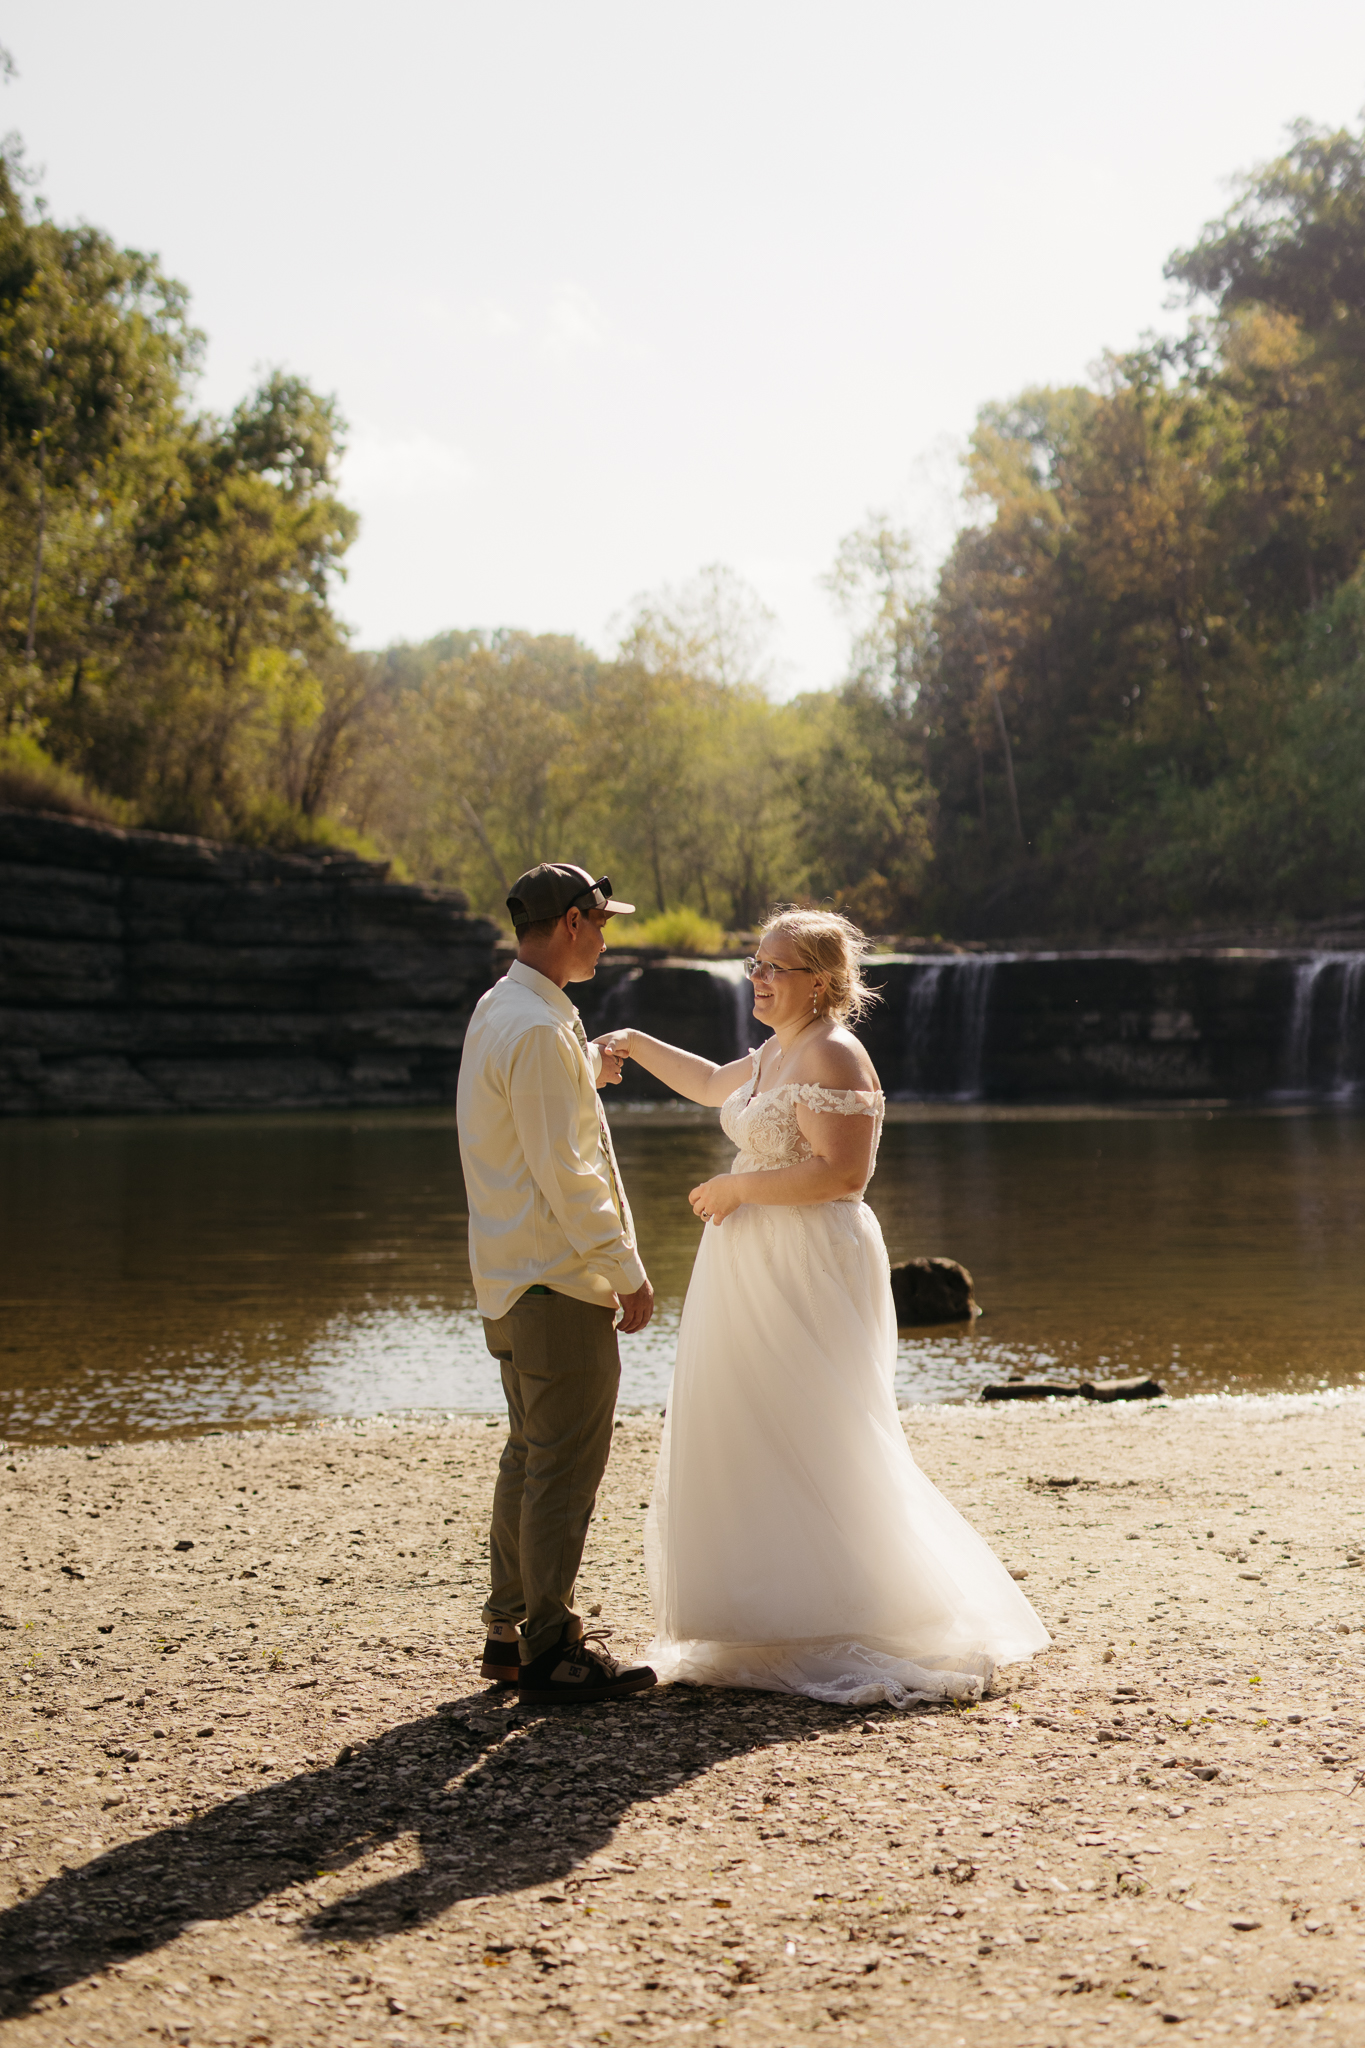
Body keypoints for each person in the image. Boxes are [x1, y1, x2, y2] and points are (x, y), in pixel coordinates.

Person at [595, 906, 1050, 1707]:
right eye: (754, 963)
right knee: (749, 1423)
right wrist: (631, 1043)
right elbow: (708, 1084)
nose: (756, 977)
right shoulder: (777, 1049)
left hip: (809, 1258)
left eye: (772, 966)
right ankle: (763, 1611)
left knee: (816, 1424)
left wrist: (736, 1186)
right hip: (751, 1260)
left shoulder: (835, 1055)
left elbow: (843, 1176)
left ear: (820, 980)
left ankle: (854, 1611)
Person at [456, 862, 657, 1705]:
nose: (607, 939)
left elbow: (537, 1122)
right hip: (555, 1281)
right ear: (571, 921)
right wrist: (628, 1273)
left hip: (509, 1276)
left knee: (529, 1453)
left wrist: (585, 1069)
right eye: (602, 923)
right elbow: (566, 1175)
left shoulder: (507, 1009)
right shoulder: (539, 1032)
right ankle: (550, 1648)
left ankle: (507, 1634)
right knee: (564, 1467)